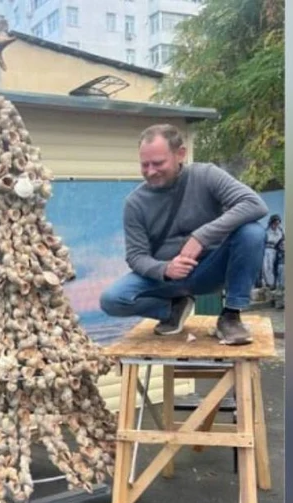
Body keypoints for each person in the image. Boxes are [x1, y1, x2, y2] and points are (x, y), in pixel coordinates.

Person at [99, 124, 268, 345]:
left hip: (210, 269)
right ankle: (170, 310)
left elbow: (255, 204)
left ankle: (231, 316)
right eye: (144, 165)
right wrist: (165, 269)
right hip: (166, 279)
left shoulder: (206, 175)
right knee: (111, 299)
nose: (150, 171)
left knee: (252, 232)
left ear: (180, 154)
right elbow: (136, 256)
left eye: (158, 163)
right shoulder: (135, 203)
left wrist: (201, 237)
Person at [263, 215, 284, 290]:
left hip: (275, 251)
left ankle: (273, 284)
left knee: (273, 267)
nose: (276, 225)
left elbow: (282, 242)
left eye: (277, 223)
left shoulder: (280, 232)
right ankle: (268, 283)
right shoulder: (266, 231)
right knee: (265, 266)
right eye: (275, 223)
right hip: (266, 250)